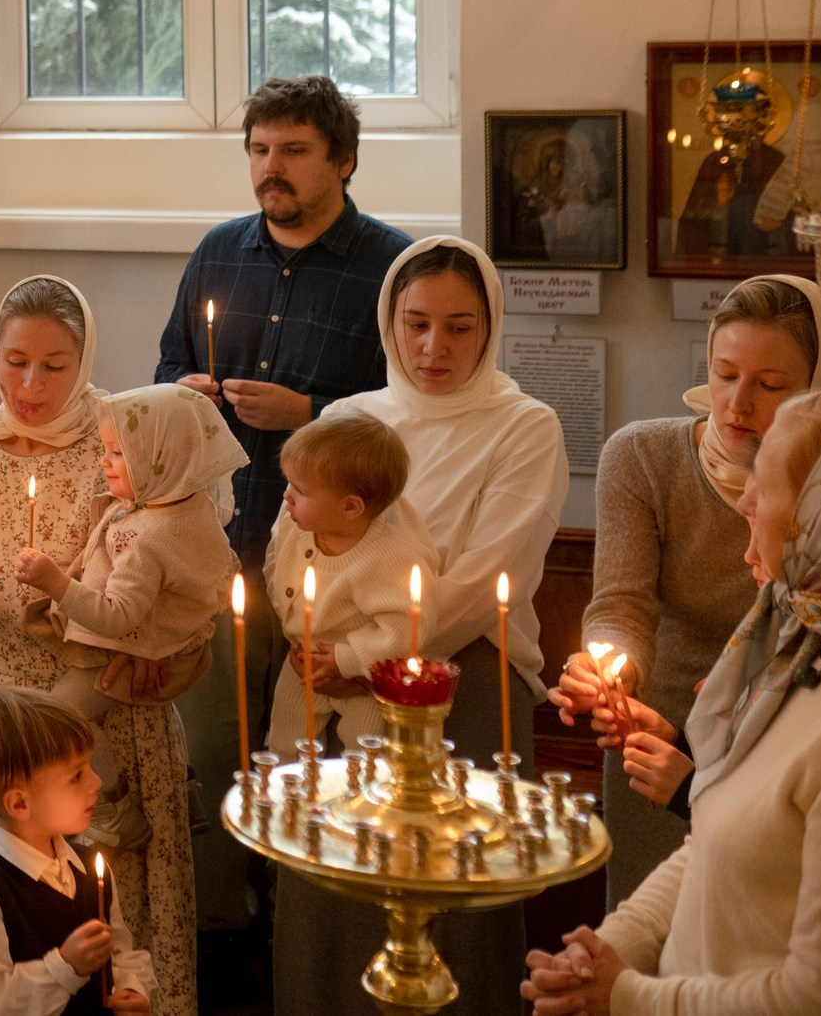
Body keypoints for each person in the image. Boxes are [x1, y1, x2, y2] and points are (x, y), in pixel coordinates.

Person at [519, 388, 821, 1016]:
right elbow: (713, 842)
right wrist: (604, 949)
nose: (746, 502)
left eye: (768, 481)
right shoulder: (795, 652)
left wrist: (626, 994)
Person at [150, 78, 410, 949]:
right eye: (260, 150)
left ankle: (311, 942)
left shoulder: (389, 267)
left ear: (342, 158)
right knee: (217, 747)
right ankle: (222, 934)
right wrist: (186, 394)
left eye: (294, 150)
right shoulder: (219, 253)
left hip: (331, 566)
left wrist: (308, 413)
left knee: (316, 759)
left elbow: (406, 414)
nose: (273, 168)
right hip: (218, 550)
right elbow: (165, 377)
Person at [0, 278, 199, 1016]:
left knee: (118, 915)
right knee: (7, 920)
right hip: (2, 710)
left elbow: (174, 552)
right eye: (15, 361)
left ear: (85, 359)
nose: (30, 384)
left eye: (54, 365)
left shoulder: (120, 444)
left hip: (109, 711)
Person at [299, 235, 564, 1016]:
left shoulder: (524, 425)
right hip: (331, 683)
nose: (432, 346)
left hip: (464, 680)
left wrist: (359, 650)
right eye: (415, 322)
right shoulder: (351, 417)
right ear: (388, 321)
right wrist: (309, 633)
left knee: (454, 899)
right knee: (334, 883)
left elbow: (485, 581)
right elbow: (301, 536)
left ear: (490, 328)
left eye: (459, 326)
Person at [549, 274, 821, 900]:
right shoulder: (643, 457)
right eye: (723, 374)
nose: (737, 404)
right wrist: (608, 671)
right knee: (649, 929)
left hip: (781, 741)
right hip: (652, 731)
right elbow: (621, 604)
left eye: (771, 386)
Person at [17, 383, 243, 848]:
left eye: (118, 454)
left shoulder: (148, 538)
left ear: (160, 461)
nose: (104, 462)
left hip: (126, 646)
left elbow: (118, 616)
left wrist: (55, 582)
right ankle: (185, 785)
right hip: (168, 643)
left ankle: (115, 810)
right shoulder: (187, 502)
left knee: (58, 716)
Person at [0, 687, 156, 1016]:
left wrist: (131, 987)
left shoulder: (88, 869)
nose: (97, 782)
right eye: (77, 775)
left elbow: (120, 950)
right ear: (20, 803)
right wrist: (65, 967)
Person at [261, 411, 437, 755]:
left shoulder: (391, 555)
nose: (287, 497)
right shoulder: (299, 526)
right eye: (289, 483)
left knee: (367, 754)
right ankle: (292, 804)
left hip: (364, 678)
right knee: (286, 747)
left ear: (351, 507)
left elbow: (406, 629)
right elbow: (277, 570)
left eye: (300, 490)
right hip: (302, 660)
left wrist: (349, 659)